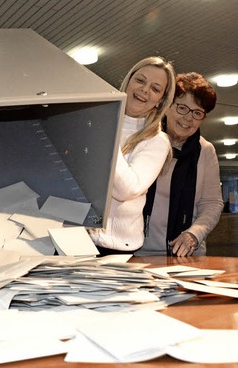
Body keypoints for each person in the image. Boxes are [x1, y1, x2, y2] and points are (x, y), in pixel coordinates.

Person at [89, 57, 176, 255]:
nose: (145, 89)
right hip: (73, 238)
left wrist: (105, 132)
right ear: (128, 82)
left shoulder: (157, 141)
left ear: (160, 101)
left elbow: (126, 190)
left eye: (155, 88)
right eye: (140, 80)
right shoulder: (94, 122)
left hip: (114, 248)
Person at [136, 72, 223, 257]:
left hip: (187, 256)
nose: (188, 118)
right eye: (182, 108)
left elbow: (212, 203)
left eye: (197, 113)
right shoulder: (143, 142)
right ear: (167, 106)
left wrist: (194, 233)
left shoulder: (205, 151)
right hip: (137, 252)